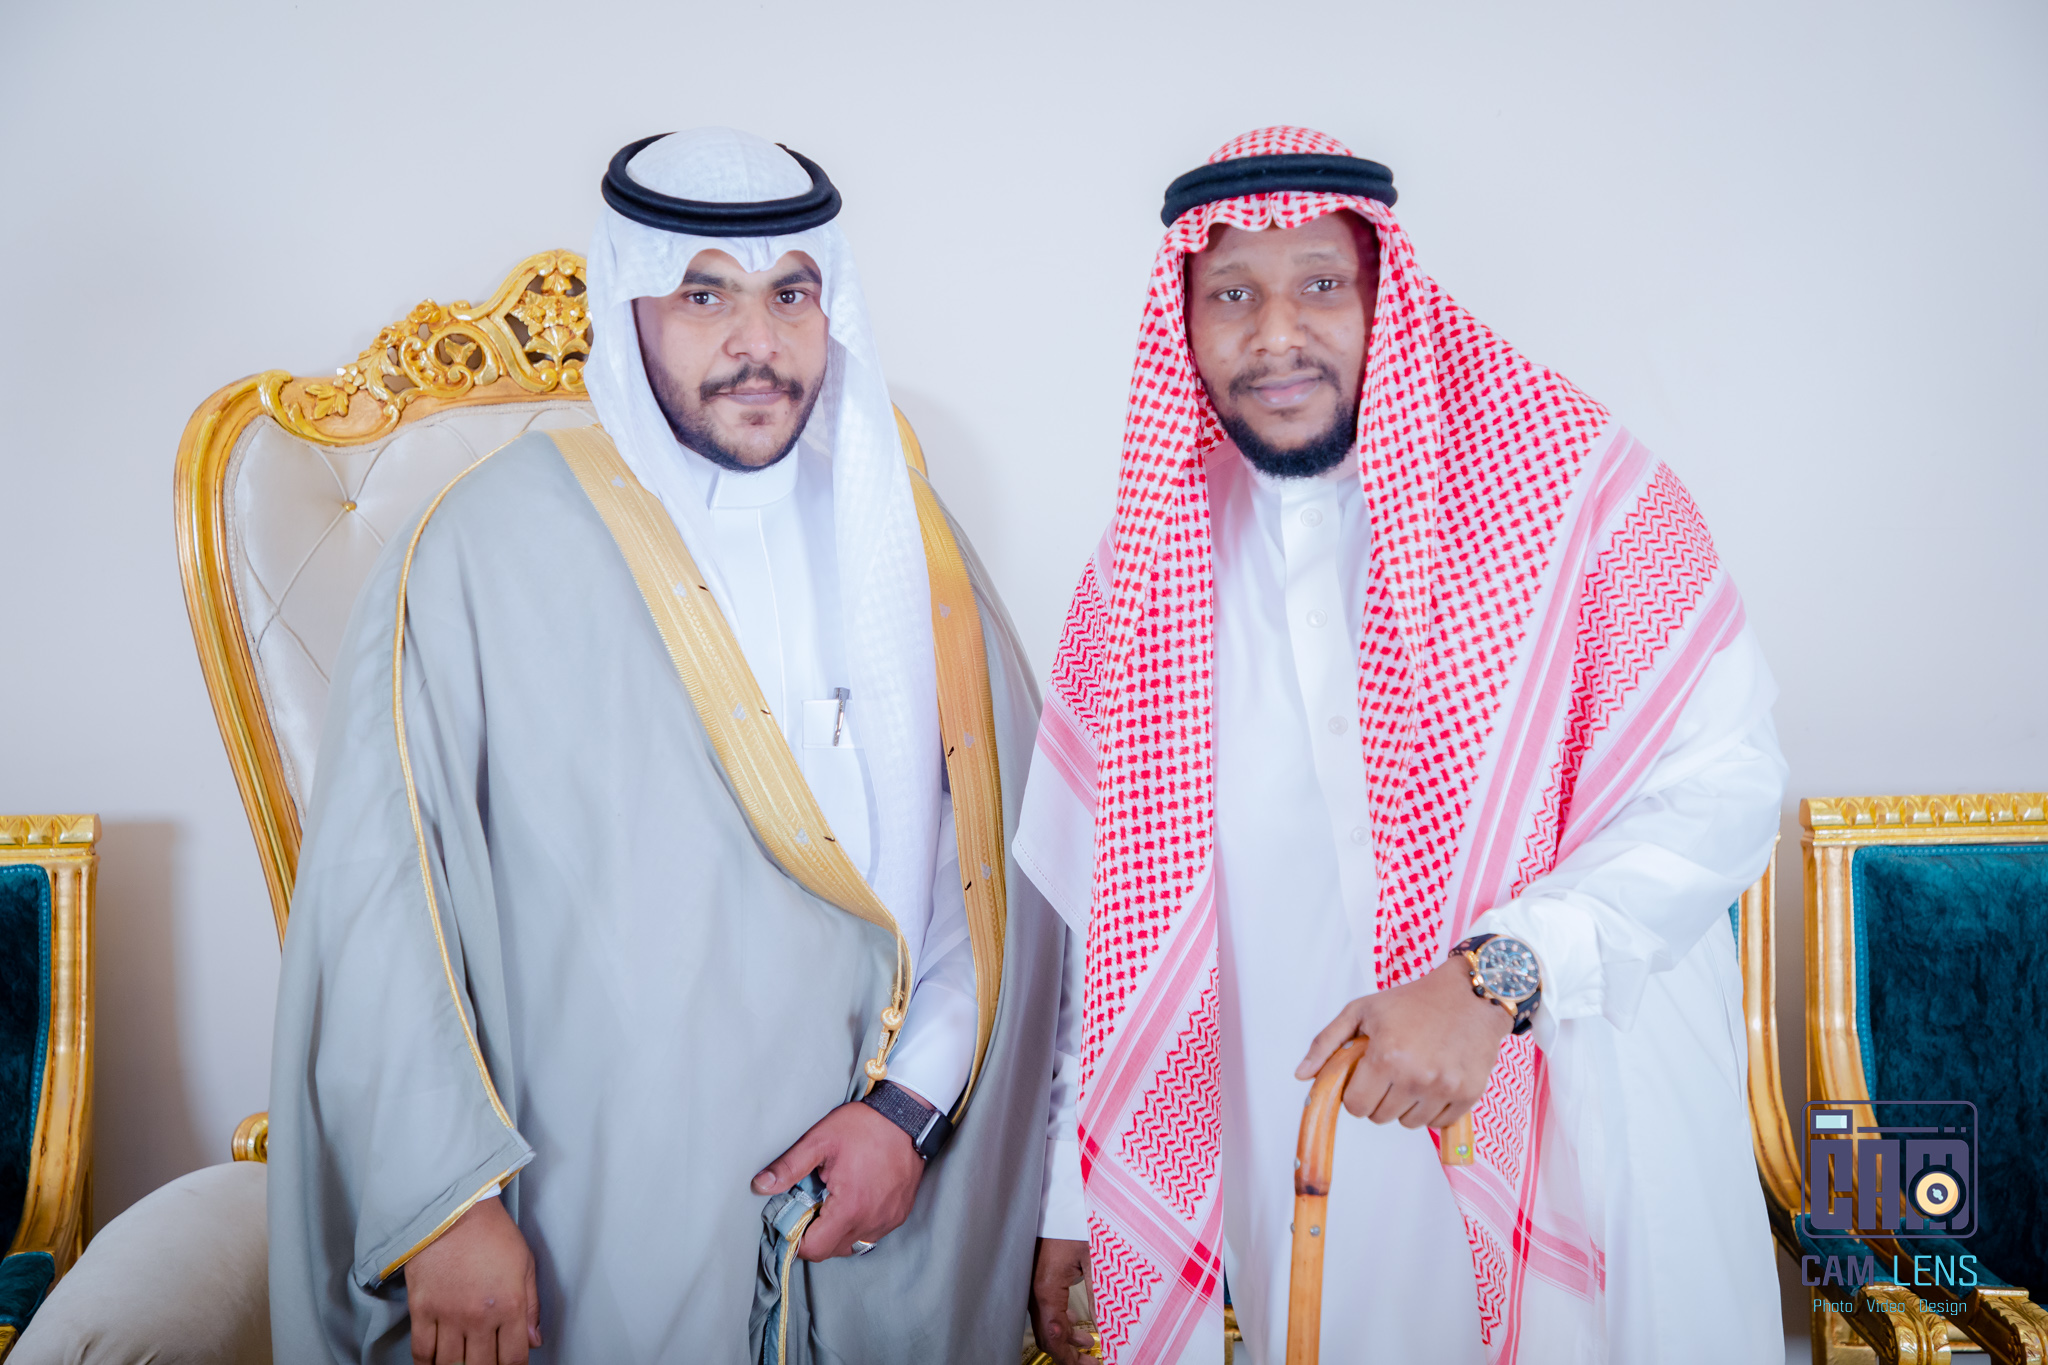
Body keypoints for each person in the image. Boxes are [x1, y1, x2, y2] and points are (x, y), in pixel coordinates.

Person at [268, 126, 1064, 1365]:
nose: (756, 340)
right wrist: (449, 1205)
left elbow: (999, 874)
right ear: (626, 304)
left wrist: (907, 1109)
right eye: (703, 296)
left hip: (886, 1205)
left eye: (790, 294)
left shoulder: (910, 542)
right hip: (596, 1211)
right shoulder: (481, 549)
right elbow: (382, 903)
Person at [1015, 127, 1786, 1364]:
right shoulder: (1138, 580)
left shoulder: (1576, 491)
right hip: (1313, 1153)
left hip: (1587, 1114)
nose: (1276, 336)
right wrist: (1073, 1196)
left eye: (1321, 283)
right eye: (1231, 295)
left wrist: (1497, 979)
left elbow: (1723, 784)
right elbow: (1103, 939)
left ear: (1388, 293)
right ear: (1183, 324)